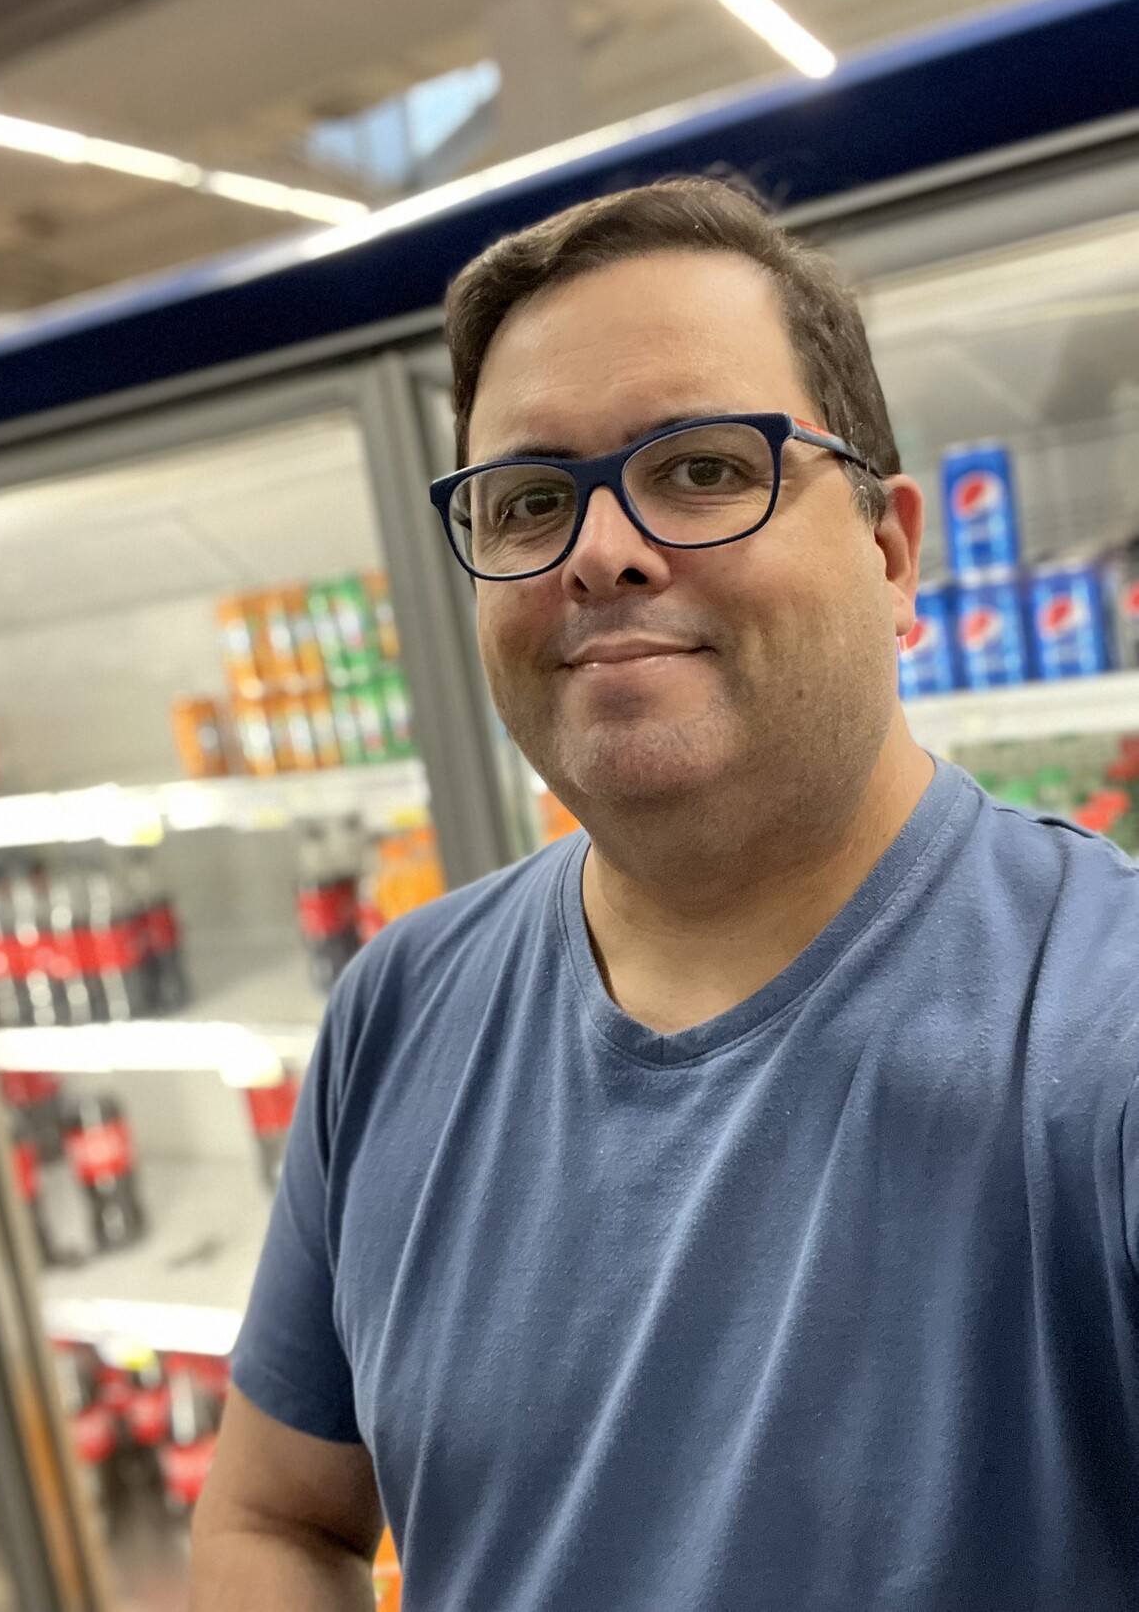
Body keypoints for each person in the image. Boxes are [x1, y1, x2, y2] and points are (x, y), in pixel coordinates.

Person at [190, 178, 1139, 1611]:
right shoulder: (400, 1005)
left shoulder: (1101, 1026)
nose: (600, 550)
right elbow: (273, 1519)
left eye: (701, 468)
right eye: (528, 500)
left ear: (892, 551)